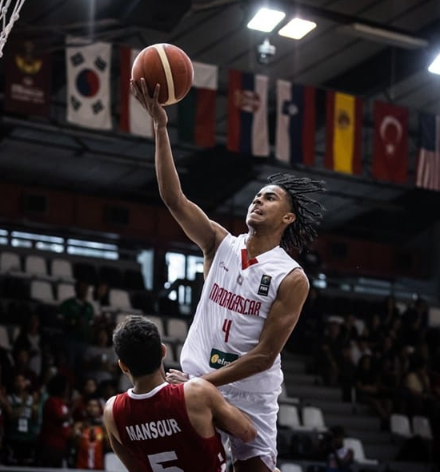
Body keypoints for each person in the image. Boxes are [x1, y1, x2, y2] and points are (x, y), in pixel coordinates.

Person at [131, 78, 324, 472]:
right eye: (257, 194)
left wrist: (203, 385)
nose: (258, 199)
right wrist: (160, 127)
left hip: (248, 394)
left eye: (270, 197)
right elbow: (173, 198)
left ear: (287, 218)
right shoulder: (219, 243)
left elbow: (265, 356)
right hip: (196, 387)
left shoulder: (292, 277)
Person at [104, 316, 256, 472]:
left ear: (123, 366)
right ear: (163, 350)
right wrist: (209, 403)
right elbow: (248, 433)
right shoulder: (196, 393)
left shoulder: (112, 412)